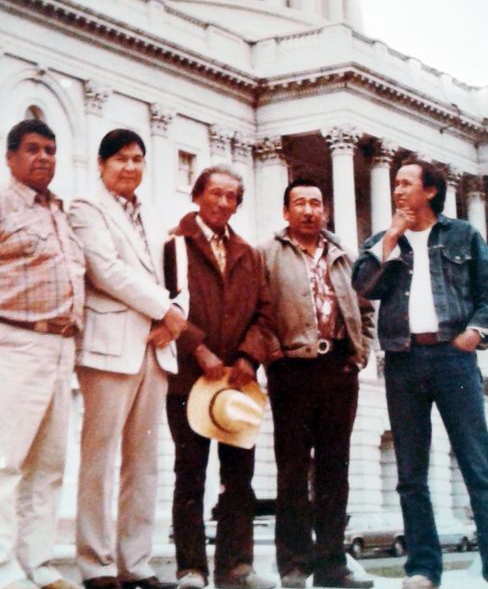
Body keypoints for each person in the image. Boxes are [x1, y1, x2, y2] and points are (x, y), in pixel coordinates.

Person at [0, 118, 85, 589]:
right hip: (9, 341)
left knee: (48, 466)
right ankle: (1, 572)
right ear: (10, 157)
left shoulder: (60, 214)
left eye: (50, 149)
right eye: (31, 149)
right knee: (2, 462)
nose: (43, 157)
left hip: (60, 347)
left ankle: (38, 563)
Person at [352, 161, 488, 589]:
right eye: (394, 184)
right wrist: (391, 237)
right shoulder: (382, 242)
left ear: (429, 191)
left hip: (453, 357)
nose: (397, 191)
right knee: (410, 474)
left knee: (477, 465)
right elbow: (363, 286)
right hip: (403, 361)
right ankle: (423, 568)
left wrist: (476, 332)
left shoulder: (463, 235)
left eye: (405, 183)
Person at [68, 129, 187, 589]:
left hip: (156, 348)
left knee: (144, 461)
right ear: (101, 163)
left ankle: (134, 563)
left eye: (138, 159)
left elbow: (178, 277)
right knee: (99, 458)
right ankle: (96, 564)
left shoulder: (152, 214)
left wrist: (177, 315)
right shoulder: (85, 207)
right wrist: (167, 309)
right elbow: (106, 270)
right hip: (110, 346)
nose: (131, 168)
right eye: (121, 159)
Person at [164, 165, 275, 589]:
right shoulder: (173, 244)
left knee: (238, 477)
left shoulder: (248, 254)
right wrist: (198, 347)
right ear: (197, 195)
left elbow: (264, 314)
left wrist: (250, 357)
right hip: (189, 378)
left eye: (232, 196)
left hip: (237, 382)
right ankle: (191, 567)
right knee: (189, 472)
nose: (223, 202)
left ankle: (237, 566)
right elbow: (164, 305)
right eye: (216, 193)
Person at [259, 179, 375, 589]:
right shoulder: (269, 253)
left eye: (315, 203)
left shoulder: (342, 255)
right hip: (292, 369)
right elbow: (259, 308)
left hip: (338, 369)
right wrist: (273, 355)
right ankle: (293, 563)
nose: (309, 210)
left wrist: (361, 352)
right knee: (292, 469)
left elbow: (364, 306)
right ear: (286, 211)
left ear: (324, 210)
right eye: (300, 203)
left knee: (333, 469)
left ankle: (331, 565)